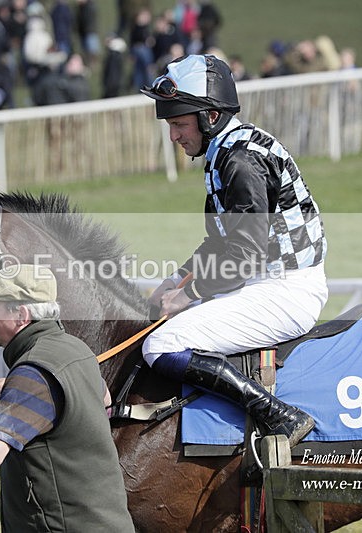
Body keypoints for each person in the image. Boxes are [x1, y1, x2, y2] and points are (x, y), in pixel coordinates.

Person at [139, 54, 328, 447]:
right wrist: (174, 280)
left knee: (160, 345)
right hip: (264, 280)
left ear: (210, 116)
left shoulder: (241, 160)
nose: (173, 136)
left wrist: (188, 294)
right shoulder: (224, 151)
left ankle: (279, 416)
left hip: (285, 291)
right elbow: (218, 242)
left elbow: (244, 255)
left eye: (178, 124)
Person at [0, 264, 134, 530]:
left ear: (21, 315)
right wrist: (20, 393)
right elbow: (103, 397)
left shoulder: (33, 373)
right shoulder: (77, 349)